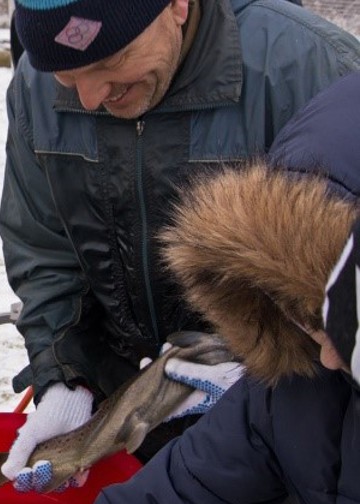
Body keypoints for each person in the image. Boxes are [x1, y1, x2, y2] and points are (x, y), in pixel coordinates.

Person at [0, 0, 360, 493]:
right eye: (66, 77)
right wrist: (65, 377)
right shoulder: (34, 84)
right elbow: (44, 252)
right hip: (124, 413)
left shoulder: (312, 67)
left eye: (110, 61)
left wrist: (260, 361)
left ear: (177, 7)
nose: (88, 98)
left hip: (276, 419)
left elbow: (342, 291)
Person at [95, 69, 360, 503]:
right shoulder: (285, 392)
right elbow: (179, 488)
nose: (328, 358)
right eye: (307, 315)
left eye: (353, 324)